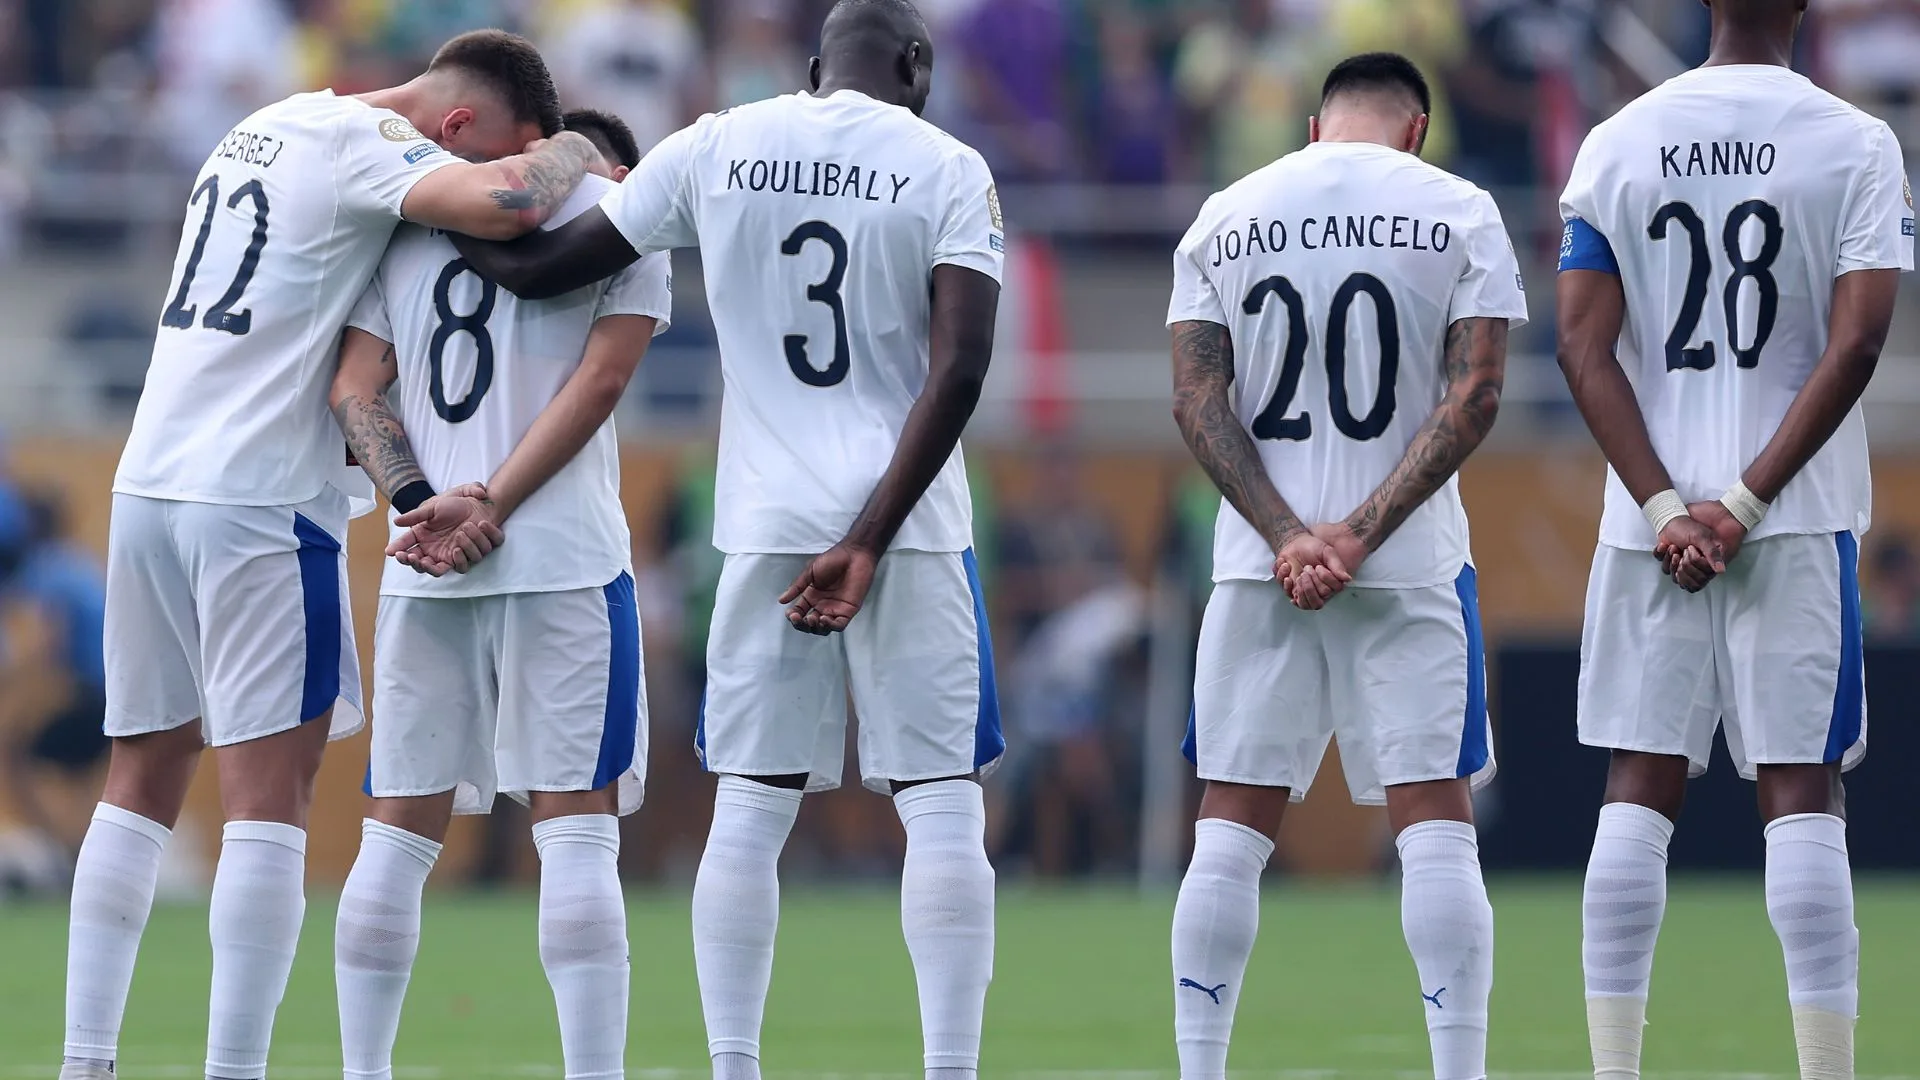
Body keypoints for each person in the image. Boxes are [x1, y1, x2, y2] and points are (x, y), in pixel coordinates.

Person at [452, 2, 1007, 1077]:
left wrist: (428, 208)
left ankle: (733, 1065)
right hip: (910, 528)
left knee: (750, 809)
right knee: (942, 807)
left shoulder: (717, 143)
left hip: (764, 523)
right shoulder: (948, 166)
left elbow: (539, 267)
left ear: (814, 63)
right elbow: (962, 369)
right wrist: (869, 537)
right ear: (916, 64)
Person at [64, 30, 605, 1080]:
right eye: (499, 145)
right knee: (268, 799)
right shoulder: (369, 143)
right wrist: (576, 148)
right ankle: (235, 1068)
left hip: (147, 486)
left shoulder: (264, 124)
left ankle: (85, 1061)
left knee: (139, 778)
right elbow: (512, 204)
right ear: (457, 124)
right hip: (259, 498)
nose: (496, 166)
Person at [1556, 0, 1911, 1076]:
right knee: (1802, 794)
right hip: (1796, 517)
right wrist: (1747, 501)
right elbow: (1858, 343)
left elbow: (1580, 347)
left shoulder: (1618, 140)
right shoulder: (1857, 142)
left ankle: (1613, 1071)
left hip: (1646, 527)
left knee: (1636, 788)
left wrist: (1670, 508)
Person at [1166, 52, 1527, 1080]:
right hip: (1409, 565)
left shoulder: (1226, 215)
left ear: (1315, 128)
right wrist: (1360, 533)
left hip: (1260, 567)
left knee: (1229, 827)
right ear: (1417, 130)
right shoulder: (1460, 210)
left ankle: (1200, 1067)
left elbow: (1196, 399)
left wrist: (1289, 534)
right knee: (1435, 824)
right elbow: (1475, 396)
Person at [327, 106, 670, 1080]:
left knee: (396, 835)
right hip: (564, 561)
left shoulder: (414, 225)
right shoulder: (628, 216)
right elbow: (600, 384)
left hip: (424, 562)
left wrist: (423, 506)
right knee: (576, 835)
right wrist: (495, 505)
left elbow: (353, 389)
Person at [0, 491, 108, 862]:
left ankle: (69, 852)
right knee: (77, 773)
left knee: (15, 753)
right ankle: (85, 850)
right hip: (114, 692)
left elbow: (48, 642)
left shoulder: (45, 568)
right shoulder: (78, 561)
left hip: (90, 693)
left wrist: (11, 677)